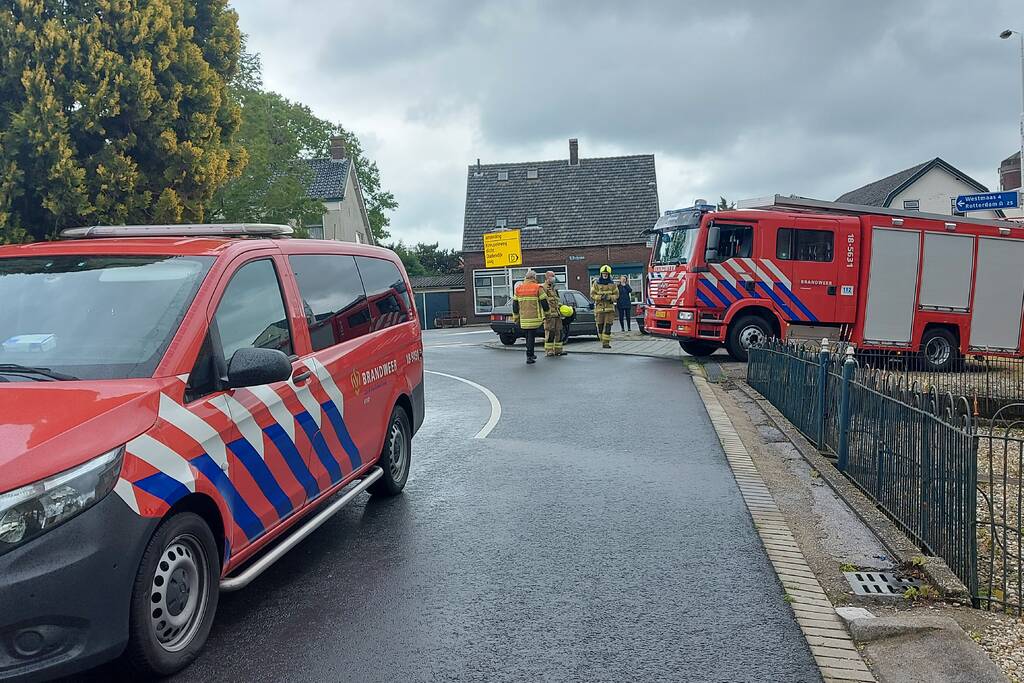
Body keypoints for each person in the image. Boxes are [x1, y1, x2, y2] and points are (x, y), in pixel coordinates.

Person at [512, 270, 548, 364]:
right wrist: (547, 313)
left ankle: (530, 354)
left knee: (528, 336)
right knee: (531, 336)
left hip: (524, 318)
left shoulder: (519, 289)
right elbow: (544, 302)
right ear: (534, 277)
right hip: (534, 318)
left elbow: (515, 305)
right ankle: (529, 356)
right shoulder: (537, 287)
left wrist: (516, 317)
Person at [590, 264, 617, 349]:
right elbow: (592, 294)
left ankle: (606, 343)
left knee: (608, 327)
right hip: (599, 309)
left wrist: (610, 297)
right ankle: (602, 339)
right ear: (601, 274)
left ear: (609, 274)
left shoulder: (613, 284)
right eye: (603, 273)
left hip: (609, 309)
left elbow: (616, 295)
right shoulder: (596, 284)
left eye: (606, 273)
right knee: (600, 326)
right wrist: (600, 297)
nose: (605, 275)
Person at [540, 270, 566, 357]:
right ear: (547, 277)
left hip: (557, 315)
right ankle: (549, 351)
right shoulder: (543, 288)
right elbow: (543, 302)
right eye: (552, 276)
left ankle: (558, 350)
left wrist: (562, 308)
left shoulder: (554, 288)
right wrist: (546, 314)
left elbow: (557, 301)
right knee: (550, 333)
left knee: (559, 332)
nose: (554, 278)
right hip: (549, 315)